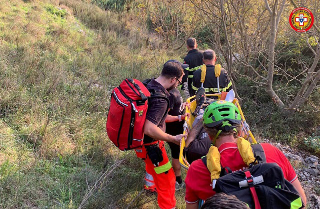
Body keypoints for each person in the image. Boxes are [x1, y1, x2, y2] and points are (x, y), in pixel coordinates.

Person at [185, 101, 307, 209]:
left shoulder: (197, 169)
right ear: (240, 131)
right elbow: (301, 200)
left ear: (209, 136)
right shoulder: (270, 151)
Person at [140, 60, 186, 209]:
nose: (178, 85)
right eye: (179, 81)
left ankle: (150, 187)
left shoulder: (148, 84)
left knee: (152, 168)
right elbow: (149, 128)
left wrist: (179, 116)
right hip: (151, 146)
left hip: (141, 143)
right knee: (168, 180)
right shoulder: (161, 98)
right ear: (173, 79)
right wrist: (172, 138)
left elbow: (155, 116)